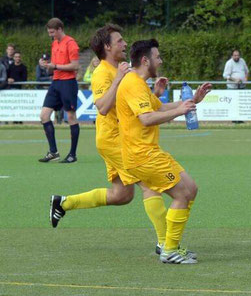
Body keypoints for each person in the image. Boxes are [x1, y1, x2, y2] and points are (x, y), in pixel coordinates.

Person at [50, 24, 175, 254]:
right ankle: (165, 243)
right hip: (114, 139)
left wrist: (154, 94)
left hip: (120, 138)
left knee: (122, 195)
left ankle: (63, 202)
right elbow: (103, 108)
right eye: (119, 41)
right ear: (107, 46)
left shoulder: (120, 69)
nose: (125, 44)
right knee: (149, 183)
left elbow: (130, 103)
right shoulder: (102, 73)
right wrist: (118, 79)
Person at [116, 39, 211, 264]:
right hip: (142, 156)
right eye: (158, 57)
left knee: (191, 188)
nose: (161, 61)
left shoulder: (139, 83)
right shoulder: (133, 84)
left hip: (150, 153)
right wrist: (180, 111)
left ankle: (172, 245)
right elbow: (147, 119)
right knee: (182, 194)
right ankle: (169, 250)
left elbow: (158, 108)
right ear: (145, 60)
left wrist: (191, 101)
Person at [38, 18, 80, 163]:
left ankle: (72, 155)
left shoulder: (71, 43)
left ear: (60, 29)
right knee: (44, 116)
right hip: (55, 82)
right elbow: (54, 66)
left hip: (68, 83)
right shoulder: (54, 43)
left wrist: (54, 66)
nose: (51, 35)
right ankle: (53, 151)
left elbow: (75, 66)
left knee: (71, 117)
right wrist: (46, 65)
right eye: (49, 32)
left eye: (52, 32)